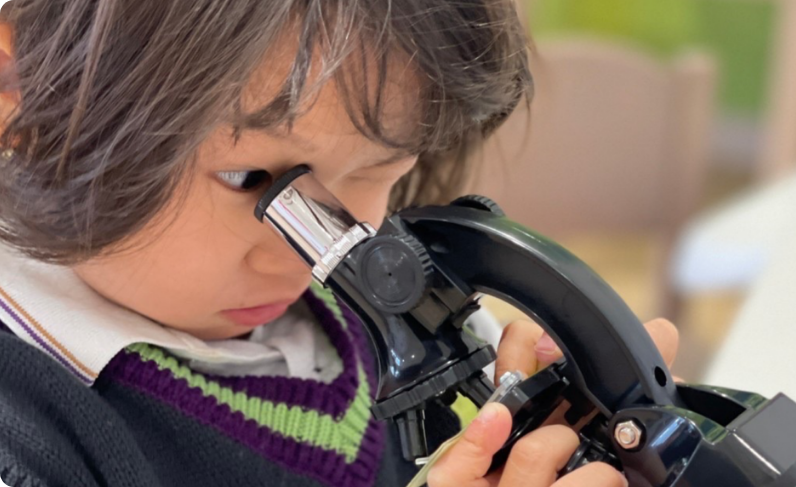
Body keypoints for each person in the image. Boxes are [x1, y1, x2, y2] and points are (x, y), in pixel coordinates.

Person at [0, 2, 679, 486]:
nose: (314, 251)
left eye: (382, 171)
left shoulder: (391, 306)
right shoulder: (26, 438)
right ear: (17, 94)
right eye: (248, 180)